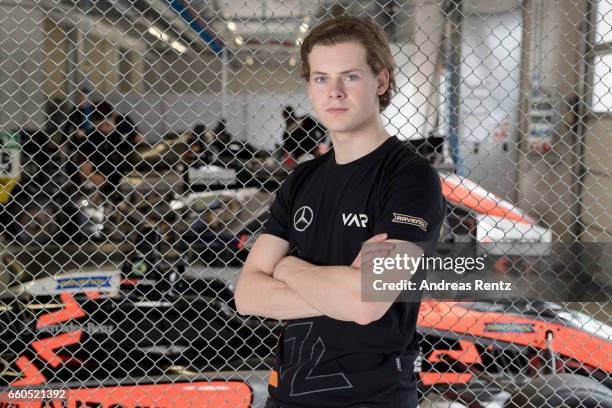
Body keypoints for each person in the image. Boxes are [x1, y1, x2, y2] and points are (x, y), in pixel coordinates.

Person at [234, 16, 446, 408]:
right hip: (288, 395)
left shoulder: (409, 179)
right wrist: (343, 288)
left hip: (371, 398)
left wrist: (286, 268)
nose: (333, 92)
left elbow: (365, 303)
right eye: (320, 78)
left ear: (380, 82)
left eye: (349, 77)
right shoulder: (302, 180)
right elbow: (247, 295)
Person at [76, 101, 132, 197]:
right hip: (105, 181)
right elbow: (85, 170)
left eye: (107, 124)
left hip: (129, 176)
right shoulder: (90, 139)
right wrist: (98, 179)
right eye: (100, 126)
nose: (104, 129)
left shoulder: (124, 126)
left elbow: (139, 141)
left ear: (113, 117)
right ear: (94, 123)